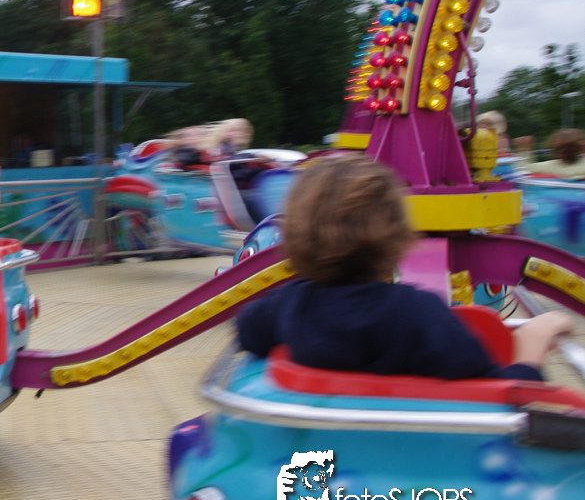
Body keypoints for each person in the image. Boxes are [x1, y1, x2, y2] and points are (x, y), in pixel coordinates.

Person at [236, 153, 573, 381]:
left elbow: (246, 330)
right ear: (396, 236)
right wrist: (532, 344)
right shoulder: (420, 314)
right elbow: (498, 396)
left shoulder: (287, 305)